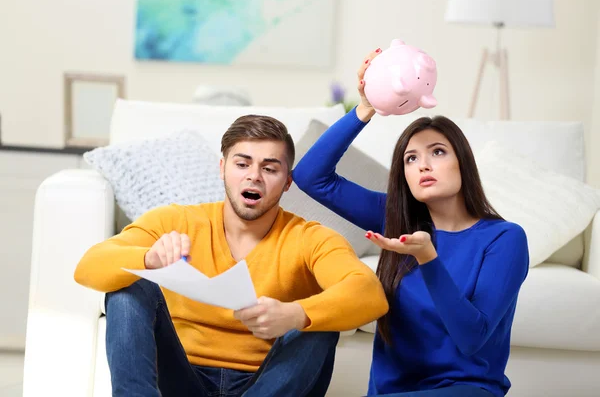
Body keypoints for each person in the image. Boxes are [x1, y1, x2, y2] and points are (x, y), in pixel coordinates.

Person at [74, 114, 389, 397]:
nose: (254, 176)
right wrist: (148, 260)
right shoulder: (176, 220)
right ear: (223, 168)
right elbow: (87, 268)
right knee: (129, 287)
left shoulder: (310, 237)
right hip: (180, 379)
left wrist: (297, 314)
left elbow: (369, 294)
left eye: (270, 168)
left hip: (268, 384)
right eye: (242, 164)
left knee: (321, 321)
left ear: (288, 181)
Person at [292, 49, 529, 397]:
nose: (423, 165)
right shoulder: (395, 218)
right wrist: (365, 108)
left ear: (462, 162)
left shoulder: (504, 239)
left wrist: (428, 259)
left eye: (437, 152)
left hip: (465, 389)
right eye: (411, 158)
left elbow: (471, 338)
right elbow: (311, 177)